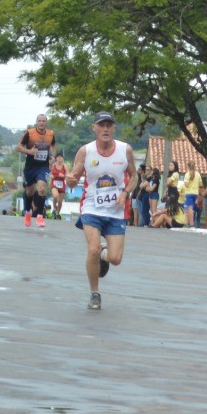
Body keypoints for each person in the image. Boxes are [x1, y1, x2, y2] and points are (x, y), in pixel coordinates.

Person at [67, 112, 137, 311]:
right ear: (94, 128)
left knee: (115, 259)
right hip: (92, 206)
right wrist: (70, 180)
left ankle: (104, 255)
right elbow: (73, 176)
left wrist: (125, 193)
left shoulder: (125, 150)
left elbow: (134, 177)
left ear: (114, 128)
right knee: (92, 249)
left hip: (116, 209)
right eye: (101, 125)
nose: (105, 129)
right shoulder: (86, 151)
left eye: (109, 125)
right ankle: (95, 293)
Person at [15, 113, 56, 229]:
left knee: (42, 189)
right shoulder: (30, 133)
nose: (41, 123)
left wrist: (52, 156)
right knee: (29, 193)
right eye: (39, 121)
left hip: (43, 167)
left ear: (46, 122)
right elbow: (18, 147)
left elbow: (53, 145)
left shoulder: (51, 134)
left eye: (43, 121)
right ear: (36, 122)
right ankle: (28, 212)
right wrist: (29, 152)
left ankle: (39, 216)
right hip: (30, 167)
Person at [49, 154, 67, 220]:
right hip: (54, 183)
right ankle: (54, 208)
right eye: (58, 157)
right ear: (56, 158)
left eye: (61, 157)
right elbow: (49, 172)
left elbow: (68, 175)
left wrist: (64, 176)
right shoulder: (53, 165)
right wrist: (50, 175)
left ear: (62, 159)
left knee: (60, 201)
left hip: (62, 184)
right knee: (56, 196)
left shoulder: (64, 166)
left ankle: (57, 213)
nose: (60, 158)